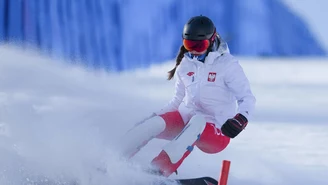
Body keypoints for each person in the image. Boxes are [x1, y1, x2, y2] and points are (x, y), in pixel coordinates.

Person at [120, 15, 256, 177]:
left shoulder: (227, 65)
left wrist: (240, 119)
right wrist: (154, 117)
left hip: (217, 130)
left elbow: (247, 98)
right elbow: (176, 101)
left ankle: (157, 172)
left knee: (198, 121)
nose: (193, 51)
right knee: (153, 124)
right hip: (186, 122)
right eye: (189, 44)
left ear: (212, 41)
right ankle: (113, 160)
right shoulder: (185, 65)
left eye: (200, 46)